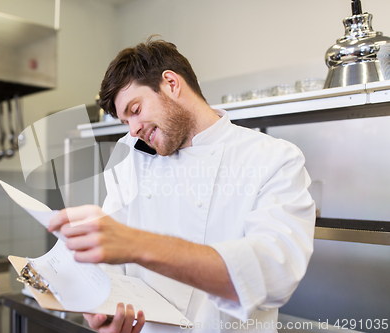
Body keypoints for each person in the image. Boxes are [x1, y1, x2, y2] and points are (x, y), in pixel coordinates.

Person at [49, 36, 316, 333]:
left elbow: (274, 273)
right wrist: (100, 306)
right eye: (125, 122)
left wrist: (138, 245)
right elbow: (111, 254)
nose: (133, 129)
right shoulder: (131, 154)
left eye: (135, 110)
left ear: (171, 84)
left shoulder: (272, 158)